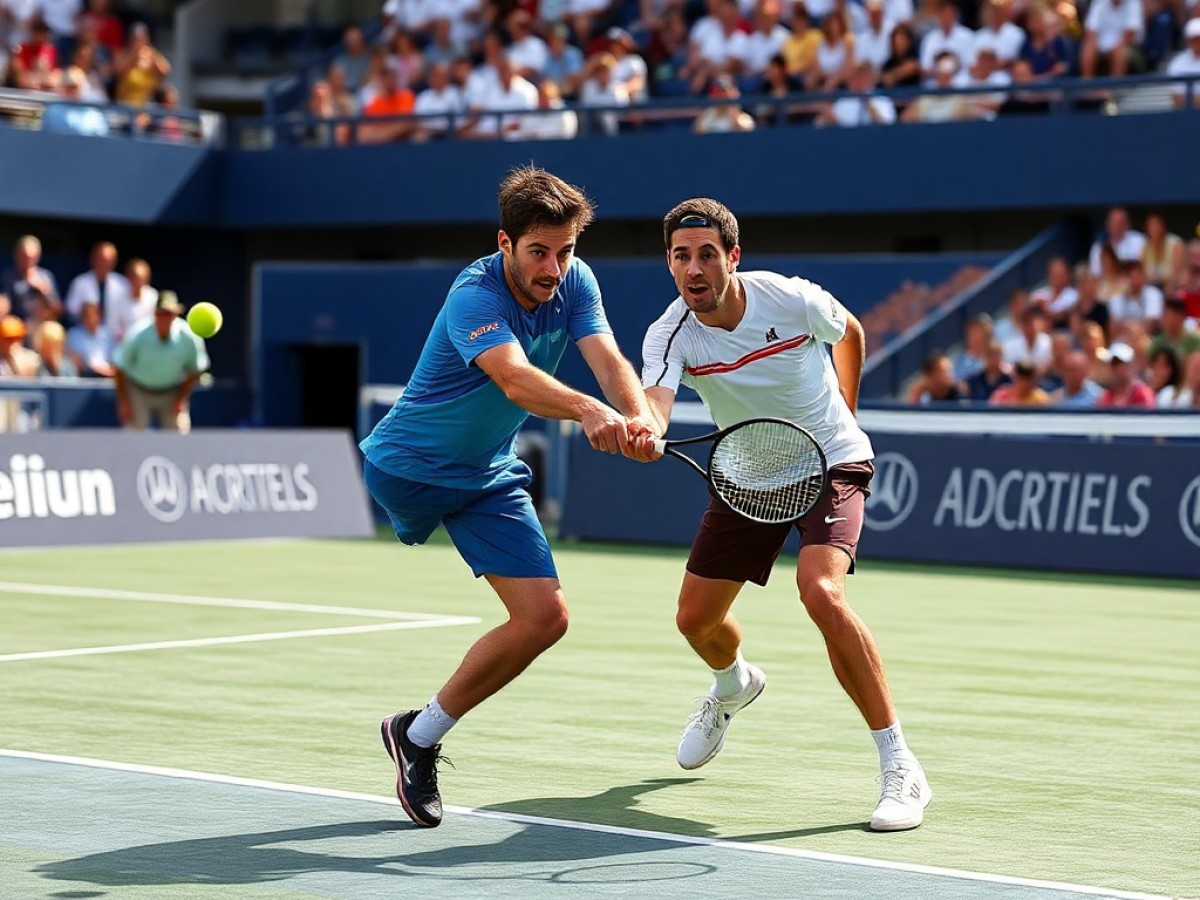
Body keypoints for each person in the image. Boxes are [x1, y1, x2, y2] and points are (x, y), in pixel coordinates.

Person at [361, 167, 655, 829]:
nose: (554, 267)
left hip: (485, 476)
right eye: (539, 252)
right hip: (409, 469)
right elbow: (516, 381)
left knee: (546, 618)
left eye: (566, 250)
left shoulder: (576, 282)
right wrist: (588, 412)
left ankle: (417, 734)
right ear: (505, 243)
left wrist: (644, 420)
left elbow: (609, 361)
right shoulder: (475, 294)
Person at [631, 198, 932, 832]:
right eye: (681, 257)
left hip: (831, 459)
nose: (693, 269)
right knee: (694, 620)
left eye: (706, 255)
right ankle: (734, 685)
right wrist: (644, 430)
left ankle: (900, 765)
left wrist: (847, 408)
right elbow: (655, 405)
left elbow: (848, 331)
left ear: (732, 258)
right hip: (750, 472)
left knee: (820, 592)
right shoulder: (669, 334)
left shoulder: (789, 299)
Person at [112, 291, 209, 432]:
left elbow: (196, 369)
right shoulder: (137, 334)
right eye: (161, 313)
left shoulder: (189, 337)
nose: (165, 318)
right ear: (154, 314)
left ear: (175, 315)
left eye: (169, 314)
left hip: (172, 390)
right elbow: (120, 367)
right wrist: (124, 402)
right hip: (138, 390)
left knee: (180, 434)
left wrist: (181, 399)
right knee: (132, 437)